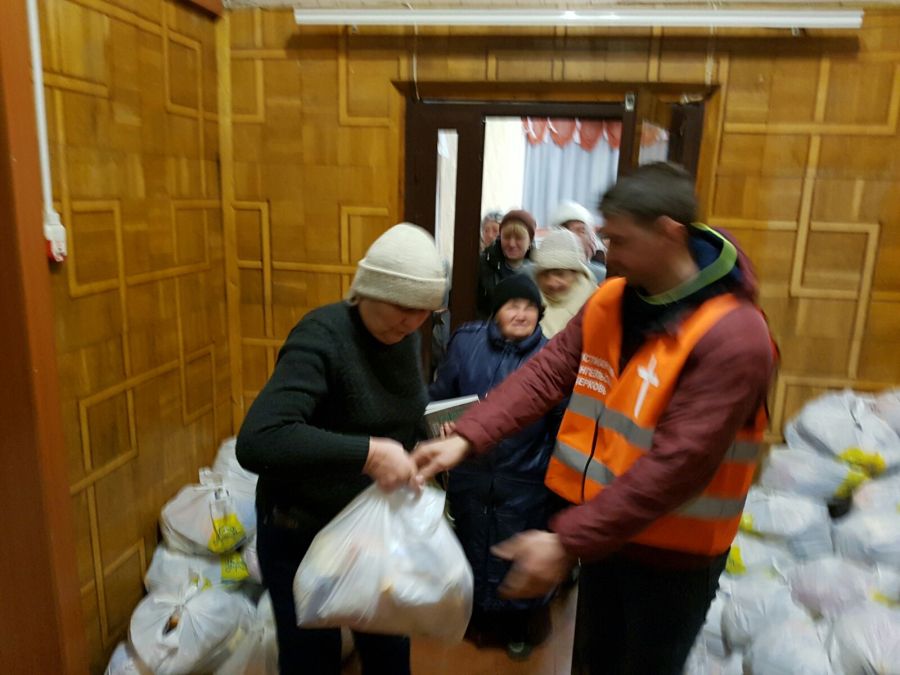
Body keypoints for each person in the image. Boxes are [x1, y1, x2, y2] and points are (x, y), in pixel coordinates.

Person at [413, 163, 777, 675]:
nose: (607, 253)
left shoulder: (734, 337)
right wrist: (468, 437)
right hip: (607, 536)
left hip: (673, 559)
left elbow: (677, 466)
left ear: (668, 233)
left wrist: (566, 541)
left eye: (619, 240)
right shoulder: (612, 300)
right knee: (592, 663)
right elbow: (545, 375)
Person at [236, 223, 447, 675]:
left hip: (370, 532)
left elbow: (400, 409)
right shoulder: (322, 335)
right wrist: (369, 454)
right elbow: (259, 440)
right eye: (402, 306)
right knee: (311, 660)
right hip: (301, 532)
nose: (412, 321)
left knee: (390, 654)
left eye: (424, 311)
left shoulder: (404, 336)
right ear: (369, 289)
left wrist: (428, 436)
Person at [429, 275, 561, 661]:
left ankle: (518, 627)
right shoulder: (466, 344)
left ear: (540, 313)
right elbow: (439, 397)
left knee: (514, 555)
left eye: (529, 307)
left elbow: (562, 425)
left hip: (525, 476)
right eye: (512, 305)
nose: (521, 314)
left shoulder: (552, 357)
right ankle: (474, 617)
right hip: (471, 471)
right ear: (495, 312)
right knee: (471, 545)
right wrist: (441, 426)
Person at [532, 228, 598, 339]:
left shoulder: (595, 302)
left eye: (560, 274)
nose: (551, 283)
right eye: (545, 274)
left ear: (575, 273)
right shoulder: (528, 301)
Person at [476, 209, 536, 318]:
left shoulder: (539, 271)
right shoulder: (484, 265)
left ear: (530, 241)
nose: (512, 244)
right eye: (506, 237)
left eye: (519, 238)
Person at [549, 200, 607, 282]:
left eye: (581, 231)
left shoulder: (603, 275)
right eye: (564, 231)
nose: (573, 237)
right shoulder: (539, 273)